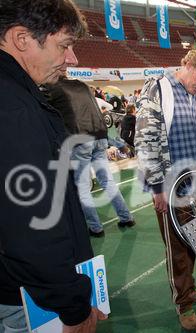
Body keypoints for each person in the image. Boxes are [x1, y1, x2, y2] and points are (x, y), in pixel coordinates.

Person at [0, 0, 108, 332]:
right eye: (64, 45)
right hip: (29, 300)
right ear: (22, 39)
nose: (72, 58)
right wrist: (73, 309)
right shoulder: (14, 107)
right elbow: (33, 227)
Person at [135, 48, 196, 331]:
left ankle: (190, 288)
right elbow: (146, 139)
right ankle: (184, 303)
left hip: (190, 183)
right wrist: (156, 187)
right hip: (168, 186)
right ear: (188, 65)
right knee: (176, 247)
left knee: (193, 241)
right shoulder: (158, 88)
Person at [45, 77, 136, 238]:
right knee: (107, 181)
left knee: (82, 187)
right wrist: (117, 142)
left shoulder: (53, 88)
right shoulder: (82, 85)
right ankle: (126, 217)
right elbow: (96, 113)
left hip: (80, 139)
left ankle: (95, 227)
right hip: (100, 136)